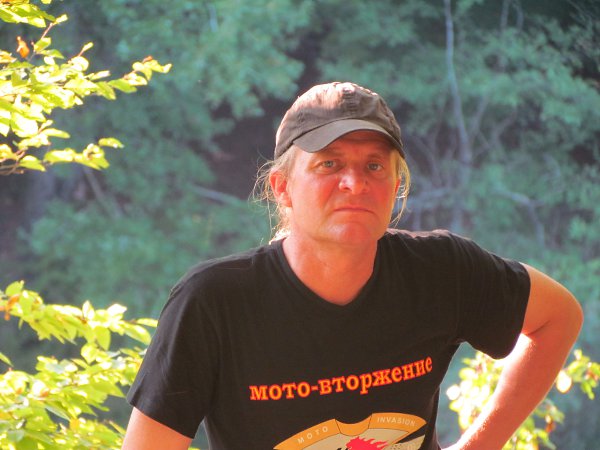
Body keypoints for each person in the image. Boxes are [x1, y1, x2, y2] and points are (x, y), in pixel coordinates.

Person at [122, 82, 583, 450]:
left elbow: (558, 316)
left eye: (374, 167)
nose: (355, 183)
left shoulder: (442, 271)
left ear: (396, 185)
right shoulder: (214, 301)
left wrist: (480, 445)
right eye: (329, 164)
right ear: (282, 188)